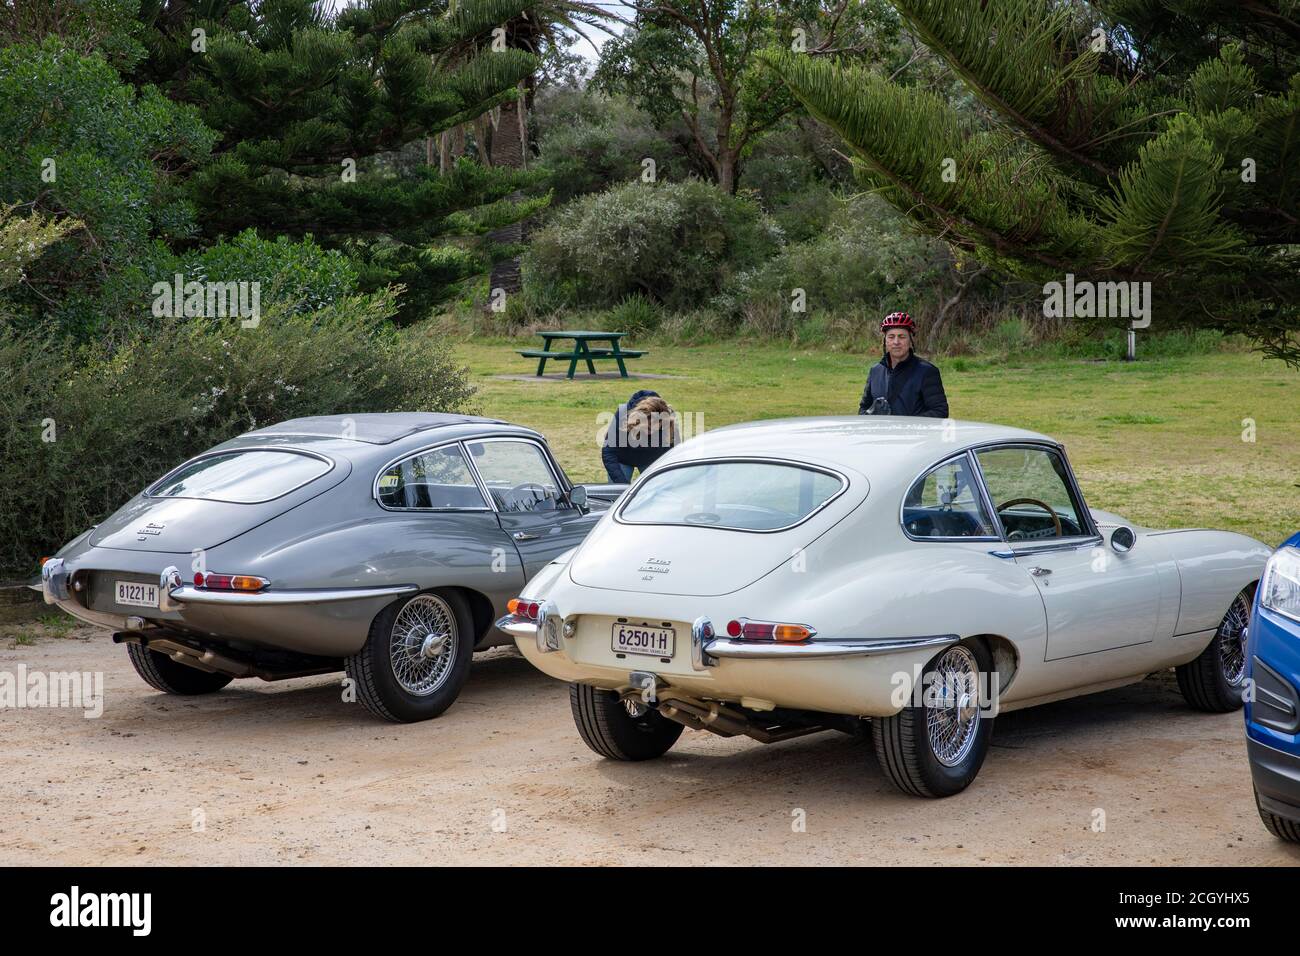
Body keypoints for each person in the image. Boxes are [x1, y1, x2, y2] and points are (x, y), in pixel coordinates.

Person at [857, 311, 949, 418]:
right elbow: (863, 409)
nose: (896, 342)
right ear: (885, 340)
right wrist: (871, 414)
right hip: (881, 434)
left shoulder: (927, 371)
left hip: (913, 434)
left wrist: (907, 424)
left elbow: (940, 411)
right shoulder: (875, 371)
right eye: (891, 337)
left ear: (910, 340)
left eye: (902, 337)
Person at [602, 393, 677, 483]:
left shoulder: (667, 418)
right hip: (623, 457)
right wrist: (621, 484)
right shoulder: (623, 413)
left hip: (651, 459)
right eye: (649, 428)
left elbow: (673, 453)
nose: (652, 431)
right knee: (618, 492)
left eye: (657, 428)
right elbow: (609, 451)